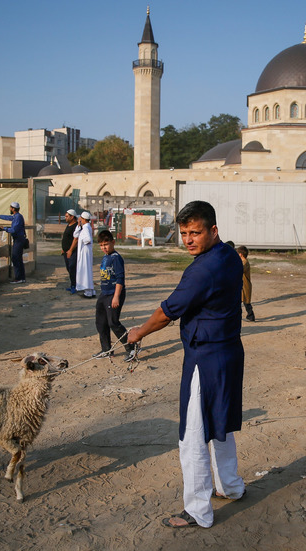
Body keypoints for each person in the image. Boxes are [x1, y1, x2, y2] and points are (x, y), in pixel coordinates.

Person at [126, 200, 245, 529]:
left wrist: (138, 332)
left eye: (196, 232)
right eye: (183, 233)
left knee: (193, 434)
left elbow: (167, 311)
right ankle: (231, 486)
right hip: (228, 352)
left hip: (205, 358)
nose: (189, 239)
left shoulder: (203, 269)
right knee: (220, 426)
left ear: (213, 230)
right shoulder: (229, 256)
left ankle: (198, 510)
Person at [94, 229, 136, 361]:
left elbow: (119, 279)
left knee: (113, 322)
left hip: (114, 294)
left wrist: (116, 296)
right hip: (104, 294)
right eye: (101, 245)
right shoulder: (105, 257)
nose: (104, 247)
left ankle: (131, 348)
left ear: (113, 242)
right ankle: (106, 349)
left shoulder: (116, 258)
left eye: (106, 244)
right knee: (101, 322)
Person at [0, 201, 26, 283]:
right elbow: (8, 217)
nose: (10, 209)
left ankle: (18, 278)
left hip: (19, 240)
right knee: (19, 258)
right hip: (19, 239)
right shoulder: (17, 216)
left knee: (15, 258)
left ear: (13, 209)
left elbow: (14, 230)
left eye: (10, 208)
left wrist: (5, 228)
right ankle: (22, 277)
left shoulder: (17, 218)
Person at [75, 211, 96, 298]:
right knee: (86, 270)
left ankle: (88, 292)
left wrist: (83, 240)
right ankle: (91, 291)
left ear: (83, 219)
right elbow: (75, 234)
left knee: (85, 271)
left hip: (85, 252)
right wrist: (78, 225)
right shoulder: (85, 227)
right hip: (84, 251)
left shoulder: (86, 227)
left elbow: (87, 239)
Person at [62, 209, 80, 294]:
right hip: (66, 251)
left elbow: (75, 240)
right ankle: (73, 284)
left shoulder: (76, 226)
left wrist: (70, 250)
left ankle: (75, 285)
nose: (65, 218)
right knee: (69, 268)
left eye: (67, 216)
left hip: (72, 251)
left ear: (72, 217)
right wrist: (64, 249)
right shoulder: (69, 225)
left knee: (72, 267)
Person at [237, 245, 255, 321]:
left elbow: (239, 270)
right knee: (240, 301)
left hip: (245, 285)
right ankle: (249, 316)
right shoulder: (243, 262)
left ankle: (251, 316)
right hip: (242, 285)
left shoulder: (245, 262)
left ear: (240, 254)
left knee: (246, 302)